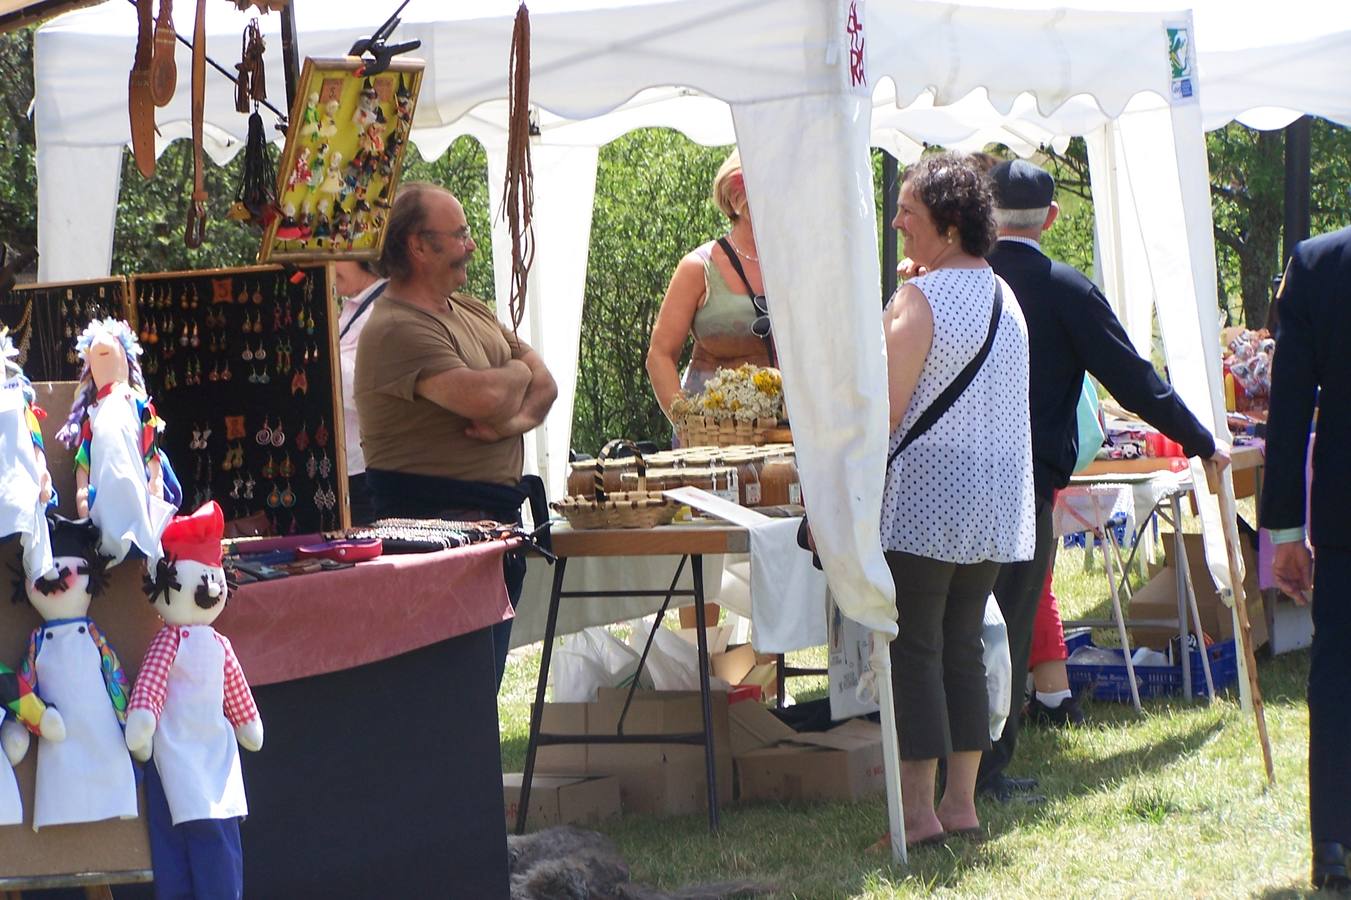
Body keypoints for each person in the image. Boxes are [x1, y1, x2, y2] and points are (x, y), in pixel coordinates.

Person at [978, 159, 1229, 801]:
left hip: (948, 475)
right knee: (1007, 615)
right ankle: (986, 769)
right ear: (1052, 218)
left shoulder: (955, 280)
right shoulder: (1066, 288)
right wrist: (1201, 439)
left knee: (958, 625)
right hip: (1023, 481)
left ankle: (957, 766)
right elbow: (1134, 380)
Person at [880, 153, 1035, 847]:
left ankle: (916, 815)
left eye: (908, 214)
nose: (897, 224)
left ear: (944, 226)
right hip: (996, 495)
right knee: (961, 644)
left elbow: (883, 410)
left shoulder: (919, 300)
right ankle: (961, 804)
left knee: (914, 648)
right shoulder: (1007, 296)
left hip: (925, 496)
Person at [353, 182, 557, 688]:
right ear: (419, 246)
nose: (470, 246)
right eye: (460, 234)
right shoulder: (397, 327)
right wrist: (513, 376)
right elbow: (482, 398)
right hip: (434, 542)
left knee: (478, 699)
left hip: (488, 532)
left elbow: (546, 385)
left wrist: (507, 424)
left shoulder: (468, 309)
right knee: (449, 705)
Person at [1260, 224, 1351, 890]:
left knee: (1338, 670)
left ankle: (1335, 843)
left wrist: (1283, 530)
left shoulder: (1318, 263)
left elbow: (1287, 407)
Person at [646, 148, 775, 419]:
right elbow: (659, 355)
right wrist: (687, 423)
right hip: (714, 439)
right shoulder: (698, 267)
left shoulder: (795, 267)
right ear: (735, 196)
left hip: (784, 433)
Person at [333, 259, 388, 526]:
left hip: (365, 472)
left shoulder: (383, 309)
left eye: (334, 255)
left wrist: (318, 349)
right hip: (348, 470)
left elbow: (365, 393)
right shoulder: (352, 307)